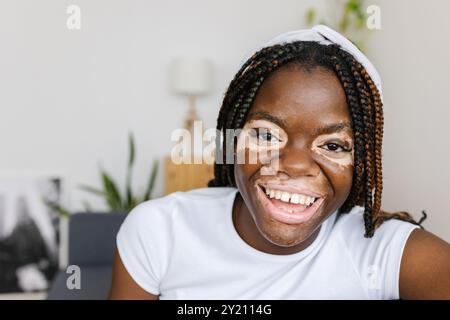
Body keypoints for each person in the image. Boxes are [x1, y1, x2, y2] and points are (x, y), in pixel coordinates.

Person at [109, 25, 450, 299]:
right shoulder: (159, 232)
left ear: (361, 162)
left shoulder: (389, 254)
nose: (296, 165)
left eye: (333, 145)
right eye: (267, 136)